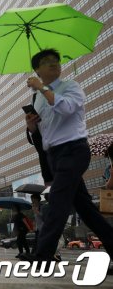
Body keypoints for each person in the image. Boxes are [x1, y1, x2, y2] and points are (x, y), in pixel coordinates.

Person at [24, 49, 113, 263]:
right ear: (37, 69)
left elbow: (66, 108)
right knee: (86, 210)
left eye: (56, 60)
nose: (53, 64)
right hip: (54, 156)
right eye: (46, 62)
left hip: (74, 150)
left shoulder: (71, 87)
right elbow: (45, 132)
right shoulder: (37, 98)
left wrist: (42, 87)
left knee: (58, 200)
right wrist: (32, 127)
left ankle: (42, 255)